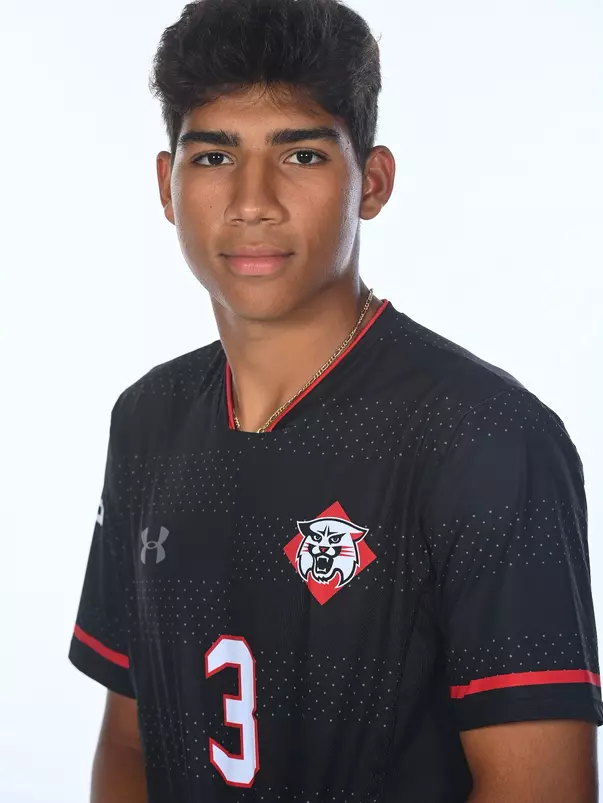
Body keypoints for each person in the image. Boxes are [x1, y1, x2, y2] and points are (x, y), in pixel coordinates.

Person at [68, 0, 602, 801]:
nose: (253, 201)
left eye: (302, 156)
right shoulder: (147, 420)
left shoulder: (484, 436)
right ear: (166, 186)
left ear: (373, 182)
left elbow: (541, 787)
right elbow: (128, 739)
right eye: (213, 157)